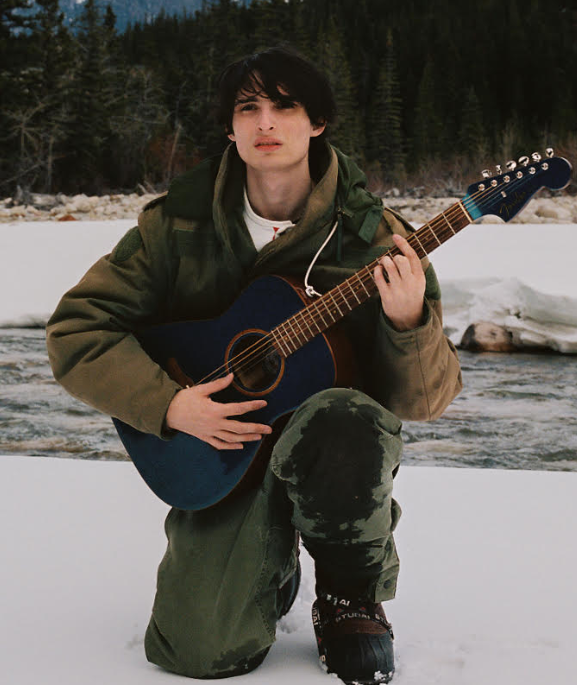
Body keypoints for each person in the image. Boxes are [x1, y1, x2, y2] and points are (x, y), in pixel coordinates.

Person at [46, 47, 462, 684]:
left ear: (317, 123)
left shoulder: (375, 237)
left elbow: (425, 401)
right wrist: (169, 404)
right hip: (222, 453)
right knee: (197, 653)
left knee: (344, 415)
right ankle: (273, 565)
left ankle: (349, 591)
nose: (265, 122)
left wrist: (408, 324)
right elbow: (77, 329)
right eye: (248, 108)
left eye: (285, 106)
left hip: (331, 453)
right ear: (229, 127)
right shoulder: (176, 228)